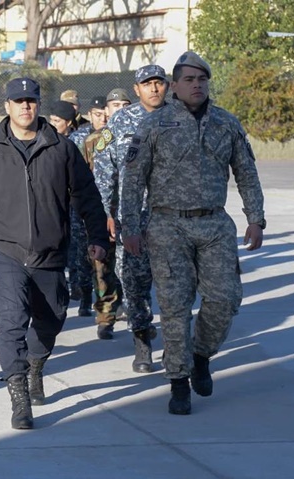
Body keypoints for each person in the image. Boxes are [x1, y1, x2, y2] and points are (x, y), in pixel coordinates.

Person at [0, 77, 109, 429]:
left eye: (31, 100)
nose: (26, 106)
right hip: (3, 251)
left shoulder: (62, 148)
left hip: (50, 253)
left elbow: (87, 196)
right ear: (6, 107)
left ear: (39, 104)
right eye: (18, 101)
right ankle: (19, 392)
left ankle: (37, 363)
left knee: (52, 318)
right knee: (10, 323)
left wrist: (98, 235)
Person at [120, 51, 265, 415]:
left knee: (226, 298)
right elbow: (134, 180)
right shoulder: (155, 124)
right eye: (189, 79)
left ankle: (201, 355)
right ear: (174, 85)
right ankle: (178, 382)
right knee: (174, 306)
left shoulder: (225, 123)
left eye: (202, 79)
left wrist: (256, 218)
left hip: (214, 224)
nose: (196, 85)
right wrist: (131, 228)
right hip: (167, 225)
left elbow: (246, 172)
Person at [92, 64, 168, 374]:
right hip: (131, 218)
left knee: (175, 285)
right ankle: (142, 343)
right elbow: (104, 168)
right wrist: (107, 213)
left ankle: (177, 343)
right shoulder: (120, 121)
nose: (153, 89)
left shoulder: (182, 117)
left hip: (172, 218)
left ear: (167, 86)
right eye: (146, 84)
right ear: (136, 89)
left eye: (158, 83)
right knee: (134, 284)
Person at [68, 95, 123, 323]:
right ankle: (104, 314)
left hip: (131, 211)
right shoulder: (93, 141)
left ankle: (125, 307)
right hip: (98, 210)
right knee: (97, 263)